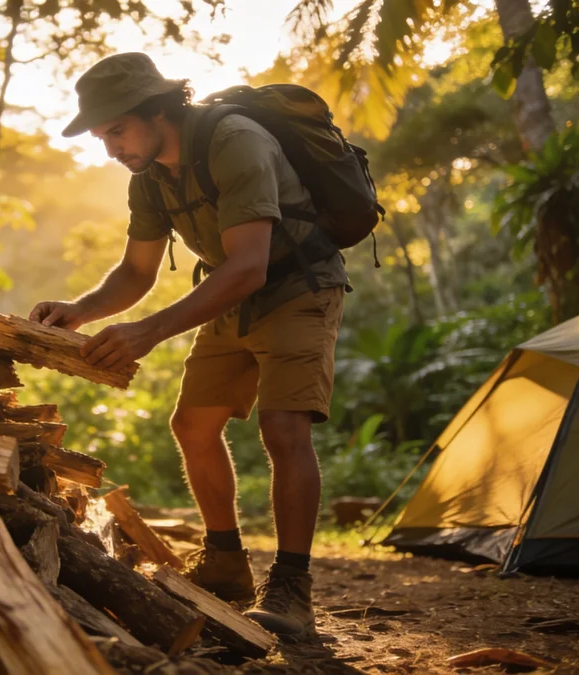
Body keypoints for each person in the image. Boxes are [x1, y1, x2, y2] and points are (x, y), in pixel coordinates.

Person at [28, 52, 349, 640]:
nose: (111, 149)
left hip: (300, 287)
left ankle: (292, 590)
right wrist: (80, 310)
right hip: (234, 295)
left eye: (117, 131)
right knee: (193, 425)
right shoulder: (148, 174)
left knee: (283, 429)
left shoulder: (236, 141)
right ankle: (226, 566)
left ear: (157, 111)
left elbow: (249, 266)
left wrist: (148, 332)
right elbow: (135, 273)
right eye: (103, 136)